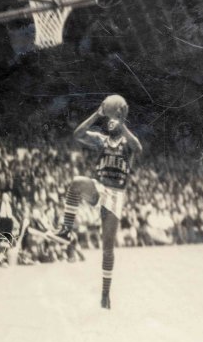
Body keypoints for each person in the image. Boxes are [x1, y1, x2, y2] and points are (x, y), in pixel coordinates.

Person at [49, 98, 142, 310]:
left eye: (113, 120)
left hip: (117, 195)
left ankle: (105, 294)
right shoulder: (101, 140)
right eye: (108, 121)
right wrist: (98, 114)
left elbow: (138, 147)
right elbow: (78, 134)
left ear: (121, 119)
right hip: (100, 187)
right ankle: (65, 230)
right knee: (75, 183)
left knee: (107, 249)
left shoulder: (127, 143)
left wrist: (121, 121)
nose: (110, 123)